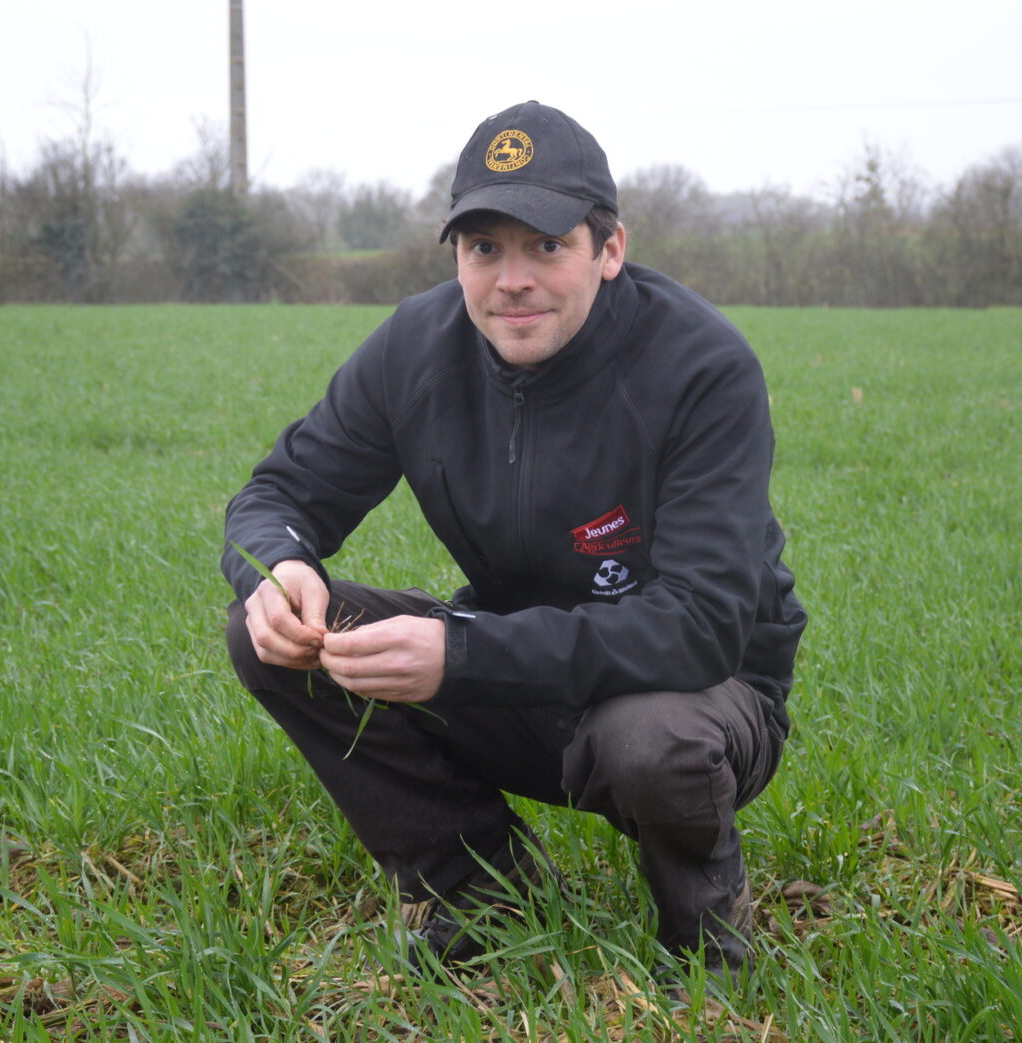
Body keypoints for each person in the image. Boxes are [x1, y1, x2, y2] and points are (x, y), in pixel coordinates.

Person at [222, 100, 806, 992]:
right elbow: (280, 494)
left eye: (546, 246)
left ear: (609, 250)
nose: (511, 280)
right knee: (271, 635)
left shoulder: (702, 369)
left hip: (701, 695)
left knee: (650, 735)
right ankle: (485, 890)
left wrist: (460, 653)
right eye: (483, 248)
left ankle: (705, 940)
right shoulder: (416, 349)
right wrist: (280, 567)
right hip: (520, 674)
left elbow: (701, 627)